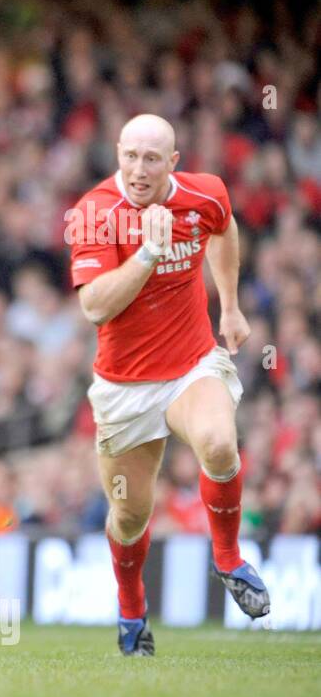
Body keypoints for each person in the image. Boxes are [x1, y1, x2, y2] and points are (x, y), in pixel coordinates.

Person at [69, 113, 270, 656]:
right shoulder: (93, 213)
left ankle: (228, 559)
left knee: (220, 444)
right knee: (130, 514)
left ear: (173, 162)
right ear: (117, 153)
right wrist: (149, 254)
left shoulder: (205, 194)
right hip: (123, 386)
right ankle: (132, 610)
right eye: (130, 155)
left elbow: (225, 228)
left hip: (190, 366)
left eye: (152, 158)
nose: (139, 169)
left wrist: (229, 305)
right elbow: (94, 306)